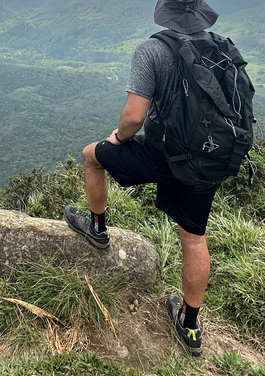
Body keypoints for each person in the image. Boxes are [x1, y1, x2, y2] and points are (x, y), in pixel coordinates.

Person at [64, 0, 227, 357]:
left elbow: (134, 117)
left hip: (164, 154)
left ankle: (97, 228)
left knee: (92, 156)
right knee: (194, 238)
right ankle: (190, 324)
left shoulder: (152, 50)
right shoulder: (220, 48)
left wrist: (118, 138)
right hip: (209, 156)